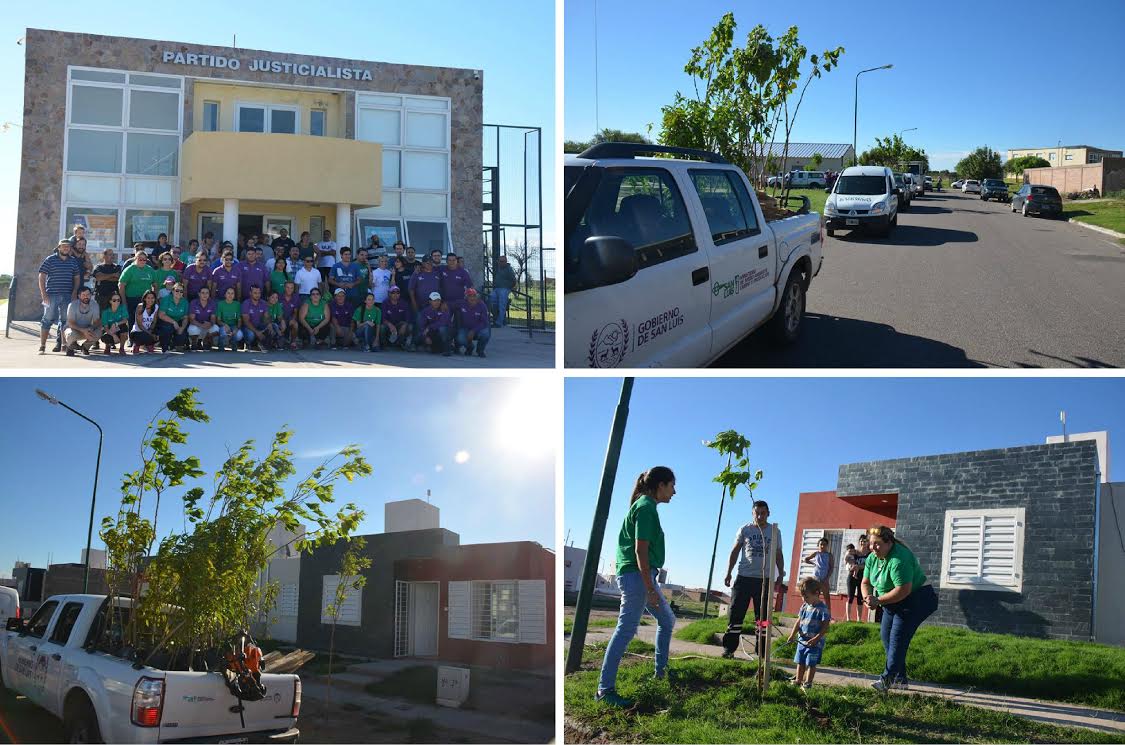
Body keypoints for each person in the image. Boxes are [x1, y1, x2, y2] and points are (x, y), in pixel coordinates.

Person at [597, 466, 678, 708]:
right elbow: (640, 551)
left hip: (641, 576)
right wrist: (649, 587)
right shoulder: (645, 508)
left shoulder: (647, 507)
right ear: (661, 485)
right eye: (672, 485)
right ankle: (605, 690)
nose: (674, 492)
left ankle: (660, 672)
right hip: (637, 577)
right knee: (625, 630)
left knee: (667, 620)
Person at [862, 525, 939, 692]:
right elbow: (865, 582)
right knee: (886, 638)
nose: (873, 547)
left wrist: (878, 600)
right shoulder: (872, 558)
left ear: (889, 543)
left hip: (916, 599)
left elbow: (902, 590)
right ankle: (900, 679)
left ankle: (886, 680)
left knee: (897, 639)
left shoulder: (899, 559)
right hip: (890, 602)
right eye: (871, 544)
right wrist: (868, 597)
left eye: (877, 544)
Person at [722, 499, 786, 658]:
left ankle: (761, 653)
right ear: (752, 514)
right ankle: (729, 650)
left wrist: (780, 574)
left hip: (764, 581)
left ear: (768, 513)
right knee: (736, 614)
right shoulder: (745, 529)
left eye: (763, 513)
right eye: (756, 513)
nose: (759, 516)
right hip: (744, 578)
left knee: (762, 618)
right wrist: (728, 572)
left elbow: (778, 554)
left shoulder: (775, 531)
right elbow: (735, 551)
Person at [786, 577, 831, 691]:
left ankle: (808, 683)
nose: (804, 599)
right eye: (802, 597)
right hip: (802, 640)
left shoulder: (822, 608)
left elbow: (826, 626)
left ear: (816, 593)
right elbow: (798, 621)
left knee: (811, 663)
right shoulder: (804, 606)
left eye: (806, 596)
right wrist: (792, 635)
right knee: (800, 661)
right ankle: (798, 680)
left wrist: (817, 638)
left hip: (815, 643)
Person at [38, 239, 82, 354]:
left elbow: (77, 278)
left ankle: (65, 345)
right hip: (51, 295)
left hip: (67, 295)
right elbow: (41, 276)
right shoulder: (50, 259)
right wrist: (44, 294)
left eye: (68, 246)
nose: (66, 248)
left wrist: (74, 292)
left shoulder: (73, 261)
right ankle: (42, 346)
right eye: (63, 246)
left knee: (65, 321)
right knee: (47, 320)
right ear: (59, 248)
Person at [408, 256, 441, 343]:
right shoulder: (417, 273)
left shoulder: (437, 273)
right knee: (419, 324)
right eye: (427, 262)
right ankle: (414, 343)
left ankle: (427, 343)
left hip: (434, 306)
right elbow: (411, 290)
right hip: (420, 305)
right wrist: (414, 303)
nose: (429, 264)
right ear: (422, 263)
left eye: (431, 262)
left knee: (431, 325)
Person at [117, 248, 155, 322]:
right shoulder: (129, 269)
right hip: (132, 299)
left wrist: (154, 299)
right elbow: (121, 286)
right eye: (140, 259)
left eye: (144, 260)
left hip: (146, 300)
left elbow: (155, 285)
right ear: (135, 259)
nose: (142, 261)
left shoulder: (150, 270)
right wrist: (124, 302)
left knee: (145, 321)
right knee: (133, 322)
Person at [803, 537, 835, 619]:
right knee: (813, 595)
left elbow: (831, 568)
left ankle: (828, 615)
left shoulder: (829, 555)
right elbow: (805, 559)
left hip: (824, 578)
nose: (822, 546)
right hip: (815, 578)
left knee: (826, 597)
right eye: (821, 544)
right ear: (818, 545)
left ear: (827, 545)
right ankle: (810, 613)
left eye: (824, 544)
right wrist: (813, 563)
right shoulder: (816, 553)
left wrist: (827, 578)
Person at [64, 286, 100, 357]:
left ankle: (85, 347)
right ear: (79, 296)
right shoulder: (72, 305)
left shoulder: (95, 305)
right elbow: (71, 323)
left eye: (88, 295)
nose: (86, 297)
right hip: (74, 329)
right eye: (83, 295)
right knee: (70, 335)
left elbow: (96, 322)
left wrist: (91, 329)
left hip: (87, 329)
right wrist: (83, 330)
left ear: (91, 295)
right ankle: (70, 346)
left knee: (99, 331)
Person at [454, 288, 491, 357]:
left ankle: (480, 350)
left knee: (486, 333)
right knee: (460, 338)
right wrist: (445, 305)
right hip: (465, 328)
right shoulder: (462, 303)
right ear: (466, 297)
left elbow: (484, 322)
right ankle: (470, 347)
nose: (472, 298)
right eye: (470, 296)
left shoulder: (482, 305)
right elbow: (451, 304)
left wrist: (473, 331)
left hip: (478, 329)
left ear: (477, 296)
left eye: (474, 295)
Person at [157, 282, 190, 353]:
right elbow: (161, 315)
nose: (179, 292)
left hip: (178, 322)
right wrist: (174, 322)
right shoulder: (166, 299)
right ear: (172, 290)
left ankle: (174, 345)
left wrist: (182, 328)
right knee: (167, 328)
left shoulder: (185, 302)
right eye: (177, 290)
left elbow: (185, 317)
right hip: (166, 321)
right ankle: (165, 347)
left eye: (181, 291)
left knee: (182, 335)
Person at [846, 536, 871, 622]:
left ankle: (859, 619)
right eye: (861, 541)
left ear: (867, 542)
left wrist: (859, 566)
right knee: (850, 596)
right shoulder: (854, 552)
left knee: (860, 598)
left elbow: (869, 566)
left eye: (864, 541)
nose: (862, 543)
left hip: (863, 578)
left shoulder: (870, 554)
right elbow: (847, 560)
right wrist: (850, 566)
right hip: (852, 576)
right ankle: (848, 618)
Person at [187, 285, 219, 350]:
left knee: (216, 329)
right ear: (199, 294)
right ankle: (195, 343)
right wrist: (201, 325)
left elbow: (213, 318)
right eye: (203, 293)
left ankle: (206, 341)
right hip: (197, 325)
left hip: (207, 325)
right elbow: (191, 320)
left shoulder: (212, 303)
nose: (205, 295)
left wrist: (211, 324)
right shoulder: (194, 302)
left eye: (207, 293)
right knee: (192, 329)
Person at [240, 285, 271, 352]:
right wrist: (257, 332)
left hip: (259, 326)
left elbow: (266, 317)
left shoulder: (263, 303)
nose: (257, 295)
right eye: (255, 293)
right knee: (251, 335)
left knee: (272, 327)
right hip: (248, 327)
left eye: (259, 293)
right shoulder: (246, 303)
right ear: (250, 293)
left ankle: (260, 344)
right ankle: (249, 344)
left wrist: (268, 323)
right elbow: (246, 322)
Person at [419, 291, 451, 356]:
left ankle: (447, 349)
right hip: (432, 333)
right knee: (420, 336)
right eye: (434, 300)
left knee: (442, 329)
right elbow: (421, 326)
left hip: (445, 332)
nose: (437, 302)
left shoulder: (444, 309)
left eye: (438, 300)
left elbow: (442, 323)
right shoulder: (425, 311)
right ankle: (428, 346)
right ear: (430, 301)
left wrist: (429, 327)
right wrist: (425, 337)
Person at [380, 286, 413, 350]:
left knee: (409, 327)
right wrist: (390, 325)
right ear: (389, 294)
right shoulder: (385, 303)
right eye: (393, 292)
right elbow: (383, 318)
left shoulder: (404, 303)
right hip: (388, 325)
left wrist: (404, 325)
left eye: (397, 292)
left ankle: (401, 343)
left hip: (399, 325)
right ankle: (384, 345)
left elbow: (408, 317)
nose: (395, 294)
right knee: (382, 327)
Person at [99, 291, 130, 356]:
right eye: (114, 300)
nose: (117, 302)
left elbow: (125, 320)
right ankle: (108, 346)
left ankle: (121, 348)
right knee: (105, 337)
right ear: (110, 301)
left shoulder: (122, 307)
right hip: (110, 331)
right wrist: (113, 335)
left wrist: (116, 324)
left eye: (118, 300)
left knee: (124, 328)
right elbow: (105, 327)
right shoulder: (105, 312)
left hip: (119, 329)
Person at [130, 290, 159, 354]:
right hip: (138, 331)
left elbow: (154, 321)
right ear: (144, 298)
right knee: (144, 336)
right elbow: (140, 325)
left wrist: (151, 330)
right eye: (148, 298)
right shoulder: (140, 306)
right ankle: (137, 345)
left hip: (148, 330)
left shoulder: (156, 307)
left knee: (160, 334)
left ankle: (148, 344)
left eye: (152, 298)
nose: (150, 300)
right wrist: (150, 334)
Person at [215, 286, 244, 352]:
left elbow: (239, 320)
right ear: (225, 294)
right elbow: (218, 320)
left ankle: (233, 343)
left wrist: (237, 328)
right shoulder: (220, 304)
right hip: (223, 325)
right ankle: (221, 345)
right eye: (228, 293)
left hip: (234, 325)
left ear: (234, 295)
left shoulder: (237, 304)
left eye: (232, 293)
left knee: (239, 334)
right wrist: (224, 325)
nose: (230, 295)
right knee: (223, 332)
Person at [491, 254, 517, 327]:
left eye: (502, 261)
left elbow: (514, 281)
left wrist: (507, 287)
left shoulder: (509, 269)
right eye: (500, 261)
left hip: (504, 289)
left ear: (506, 262)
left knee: (502, 304)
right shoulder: (498, 268)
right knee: (490, 299)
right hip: (497, 289)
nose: (500, 263)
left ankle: (499, 322)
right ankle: (501, 318)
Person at [278, 281, 302, 350]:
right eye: (287, 287)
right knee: (281, 344)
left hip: (290, 317)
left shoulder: (296, 297)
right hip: (280, 318)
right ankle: (281, 340)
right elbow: (277, 311)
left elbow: (295, 311)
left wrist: (293, 319)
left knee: (295, 324)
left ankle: (293, 342)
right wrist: (282, 320)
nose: (289, 289)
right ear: (284, 288)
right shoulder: (279, 297)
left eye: (291, 288)